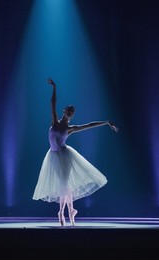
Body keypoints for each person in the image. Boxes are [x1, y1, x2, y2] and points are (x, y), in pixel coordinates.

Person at [33, 77, 119, 226]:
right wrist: (55, 87)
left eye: (72, 111)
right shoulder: (55, 121)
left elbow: (89, 125)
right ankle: (70, 211)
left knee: (64, 185)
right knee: (64, 185)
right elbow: (52, 103)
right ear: (64, 111)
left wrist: (106, 122)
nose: (70, 112)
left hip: (64, 155)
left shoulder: (69, 129)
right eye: (69, 110)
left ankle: (64, 212)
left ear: (72, 114)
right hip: (53, 156)